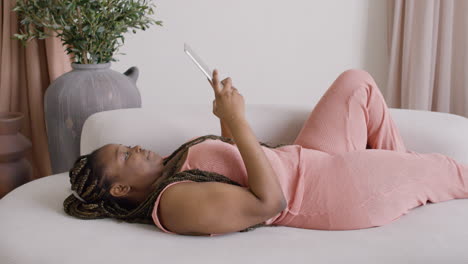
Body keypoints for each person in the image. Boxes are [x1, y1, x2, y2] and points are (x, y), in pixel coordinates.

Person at [64, 68, 468, 237]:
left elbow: (228, 165)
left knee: (356, 82)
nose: (134, 147)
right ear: (118, 190)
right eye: (123, 156)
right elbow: (269, 203)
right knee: (447, 169)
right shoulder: (172, 203)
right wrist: (238, 121)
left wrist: (225, 112)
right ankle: (402, 178)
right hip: (323, 190)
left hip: (306, 156)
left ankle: (400, 176)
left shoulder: (170, 168)